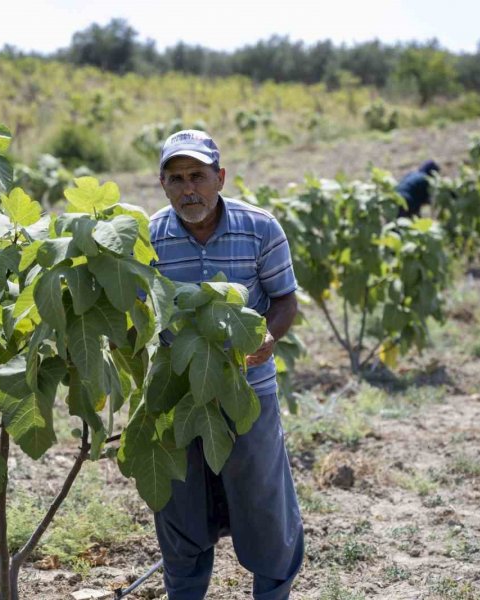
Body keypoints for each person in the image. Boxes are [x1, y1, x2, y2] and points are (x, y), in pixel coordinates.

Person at [148, 130, 304, 600]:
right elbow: (139, 312)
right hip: (179, 393)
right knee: (181, 506)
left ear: (220, 177)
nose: (187, 189)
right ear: (163, 184)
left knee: (262, 502)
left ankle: (273, 592)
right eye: (175, 179)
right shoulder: (150, 236)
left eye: (197, 175)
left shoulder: (260, 228)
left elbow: (284, 299)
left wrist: (268, 337)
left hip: (246, 389)